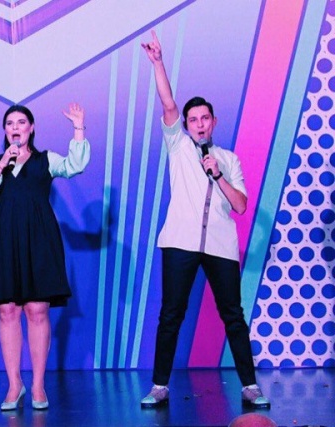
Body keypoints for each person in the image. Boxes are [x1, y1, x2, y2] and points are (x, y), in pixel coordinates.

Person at [139, 30, 269, 409]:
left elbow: (241, 205)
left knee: (233, 316)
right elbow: (168, 104)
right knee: (171, 315)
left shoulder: (228, 159)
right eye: (192, 119)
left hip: (220, 246)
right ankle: (159, 386)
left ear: (213, 121)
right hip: (179, 242)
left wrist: (218, 174)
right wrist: (158, 63)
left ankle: (250, 386)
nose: (198, 124)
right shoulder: (178, 145)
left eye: (204, 118)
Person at [0, 103, 90, 411]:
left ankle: (37, 384)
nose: (16, 127)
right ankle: (14, 384)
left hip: (39, 237)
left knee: (37, 309)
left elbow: (74, 166)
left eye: (21, 122)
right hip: (5, 238)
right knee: (7, 310)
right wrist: (1, 165)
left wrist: (78, 128)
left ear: (31, 128)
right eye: (10, 123)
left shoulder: (45, 159)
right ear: (5, 130)